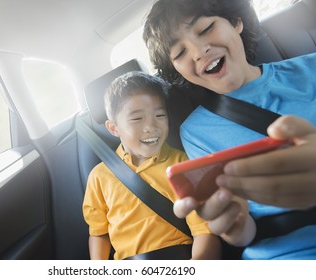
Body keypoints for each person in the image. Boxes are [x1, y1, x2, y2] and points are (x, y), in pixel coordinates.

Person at [143, 0, 316, 259]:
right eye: (179, 53)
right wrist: (236, 230)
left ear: (236, 22)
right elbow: (244, 229)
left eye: (206, 29)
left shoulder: (311, 68)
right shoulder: (194, 132)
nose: (199, 51)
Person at [82, 71, 221, 260]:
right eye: (137, 119)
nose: (151, 126)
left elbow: (204, 230)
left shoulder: (183, 164)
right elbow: (99, 232)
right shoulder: (99, 177)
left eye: (159, 115)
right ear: (114, 128)